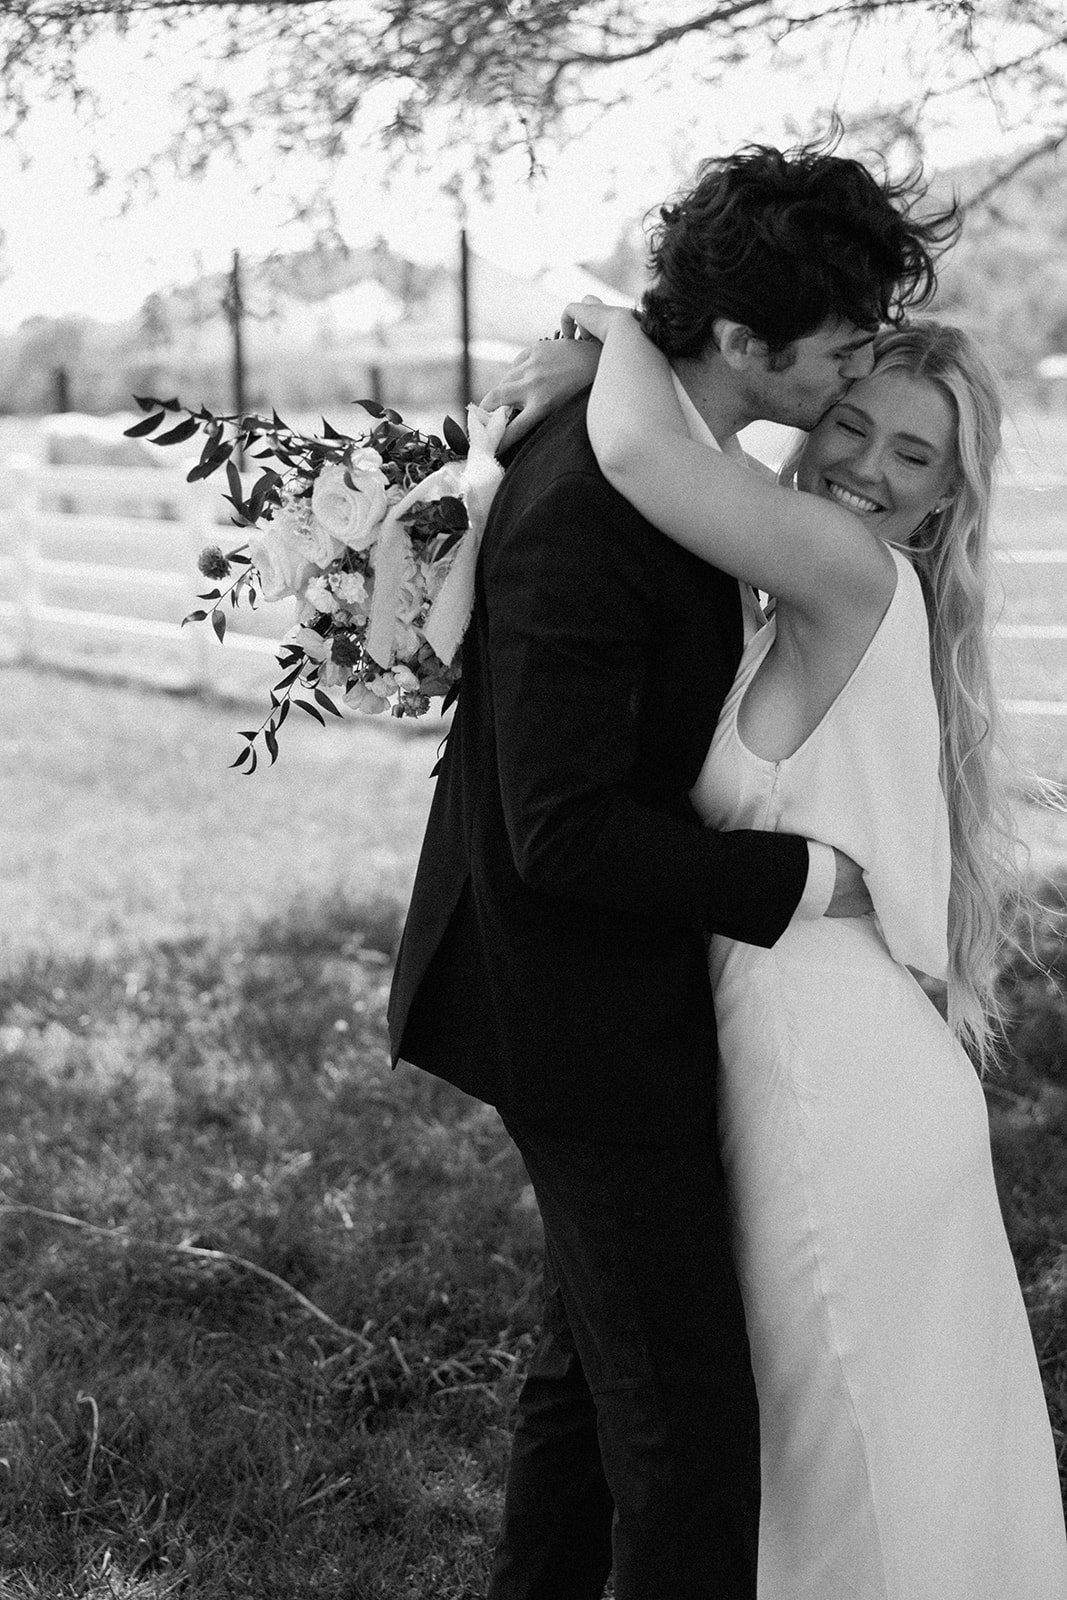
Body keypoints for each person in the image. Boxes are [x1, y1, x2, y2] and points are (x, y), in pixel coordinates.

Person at [388, 140, 958, 1600]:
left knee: (589, 1385)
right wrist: (801, 884)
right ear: (746, 342)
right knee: (686, 1432)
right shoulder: (597, 493)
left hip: (619, 992)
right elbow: (561, 830)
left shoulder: (677, 463)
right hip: (572, 1011)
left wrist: (601, 331)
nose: (851, 370)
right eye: (837, 340)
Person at [502, 302, 1067, 1596]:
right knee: (859, 1445)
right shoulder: (814, 574)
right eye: (853, 423)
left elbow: (652, 453)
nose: (866, 464)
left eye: (912, 456)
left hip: (831, 1080)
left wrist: (606, 325)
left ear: (941, 501)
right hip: (821, 1047)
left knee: (839, 1447)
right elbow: (703, 463)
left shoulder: (849, 570)